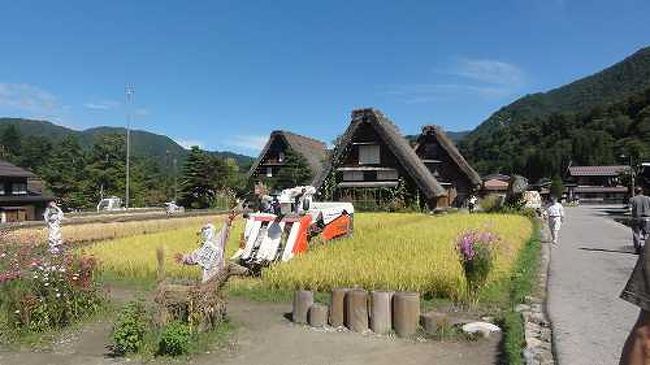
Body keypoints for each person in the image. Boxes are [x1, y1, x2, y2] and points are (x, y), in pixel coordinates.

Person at [176, 212, 236, 283]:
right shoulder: (207, 246)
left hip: (216, 276)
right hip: (213, 277)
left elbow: (224, 230)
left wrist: (228, 222)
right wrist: (183, 258)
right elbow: (192, 258)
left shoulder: (215, 242)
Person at [629, 187, 650, 254]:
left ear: (635, 192)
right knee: (646, 234)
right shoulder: (648, 198)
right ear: (642, 191)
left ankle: (638, 249)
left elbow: (630, 209)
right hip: (646, 218)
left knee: (636, 234)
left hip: (636, 218)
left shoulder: (632, 199)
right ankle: (647, 249)